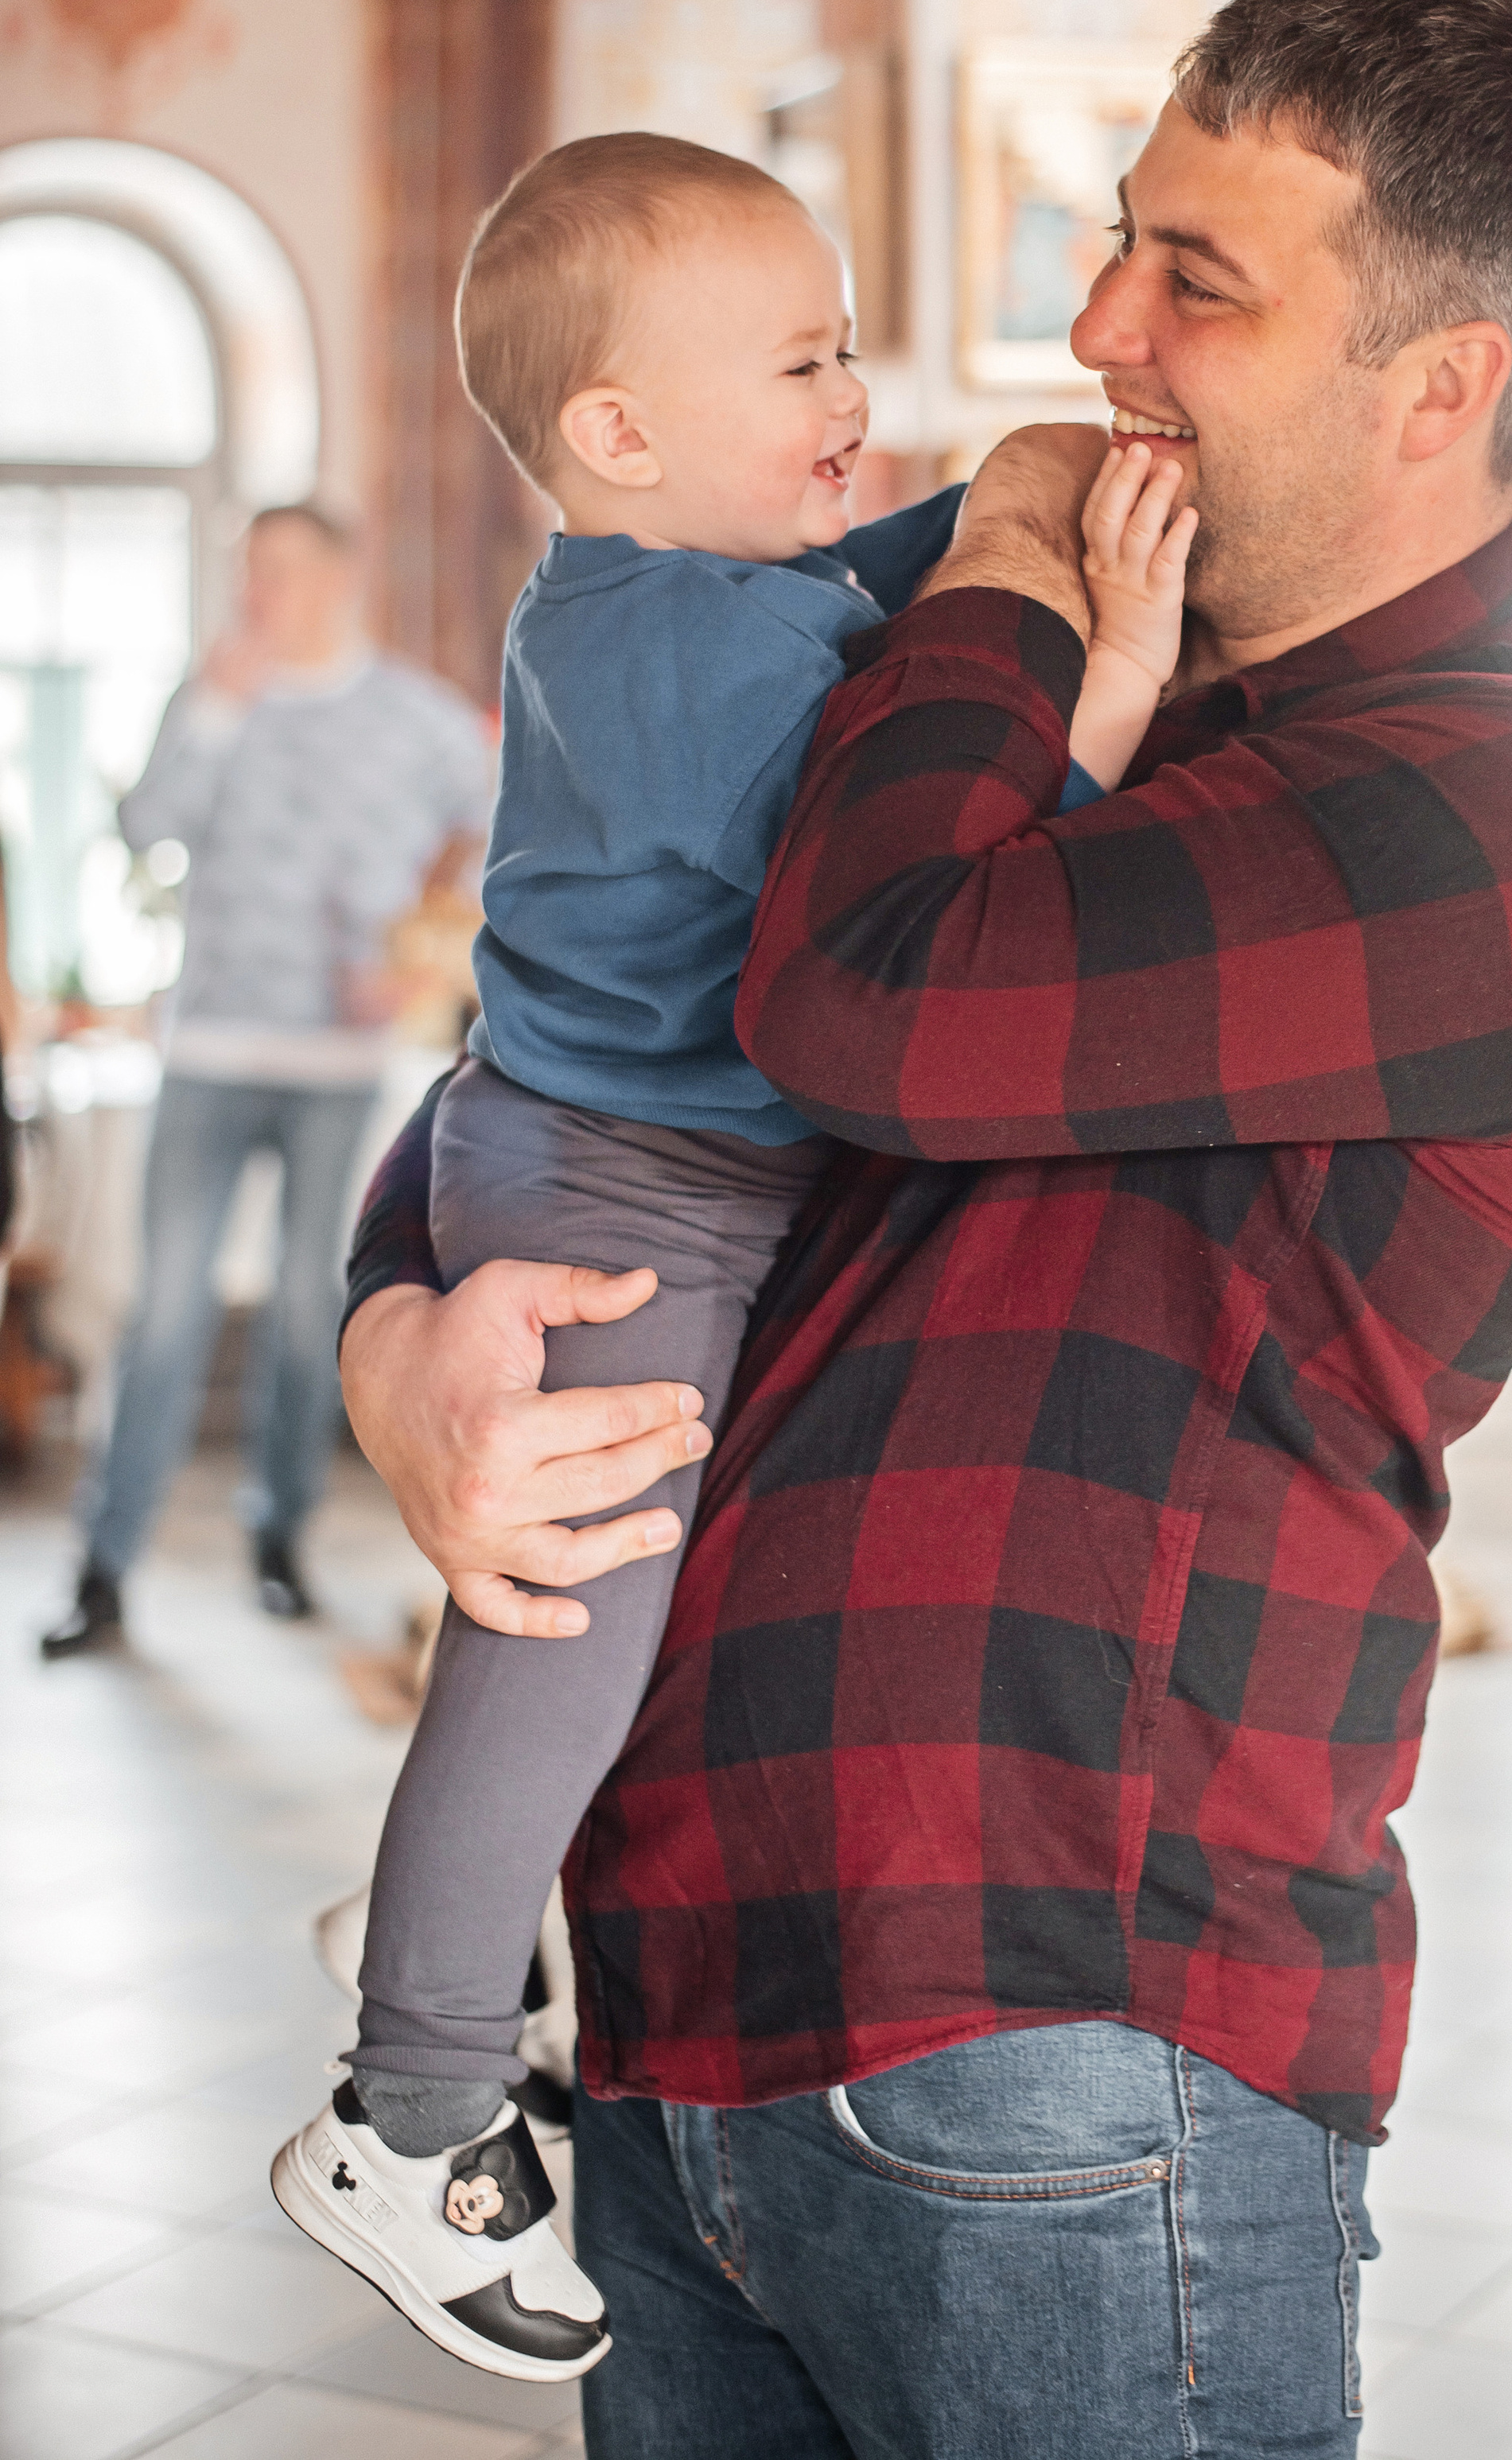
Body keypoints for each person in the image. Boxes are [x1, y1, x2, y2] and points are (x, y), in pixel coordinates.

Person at [336, 0, 1512, 2458]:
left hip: (1051, 2033)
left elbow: (863, 995)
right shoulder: (1061, 688)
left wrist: (988, 553)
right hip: (676, 1995)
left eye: (1198, 276)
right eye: (1119, 234)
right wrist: (395, 1345)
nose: (1092, 323)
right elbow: (567, 1030)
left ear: (1439, 387)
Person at [270, 133, 1197, 2381]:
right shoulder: (695, 666)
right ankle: (412, 2103)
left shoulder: (670, 584)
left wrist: (1003, 511)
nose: (852, 395)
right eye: (807, 358)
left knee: (605, 1632)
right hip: (622, 1210)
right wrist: (1116, 672)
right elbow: (921, 880)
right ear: (619, 428)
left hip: (597, 1160)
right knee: (563, 1644)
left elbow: (885, 596)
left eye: (849, 346)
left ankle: (451, 1916)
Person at [40, 503, 495, 1660]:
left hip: (331, 1063)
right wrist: (213, 705)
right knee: (168, 1309)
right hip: (208, 1052)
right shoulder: (215, 699)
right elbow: (145, 826)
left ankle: (279, 1540)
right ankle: (104, 1565)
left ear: (339, 579)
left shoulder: (410, 713)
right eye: (250, 572)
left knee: (308, 1309)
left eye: (281, 571)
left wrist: (422, 961)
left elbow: (504, 815)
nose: (258, 593)